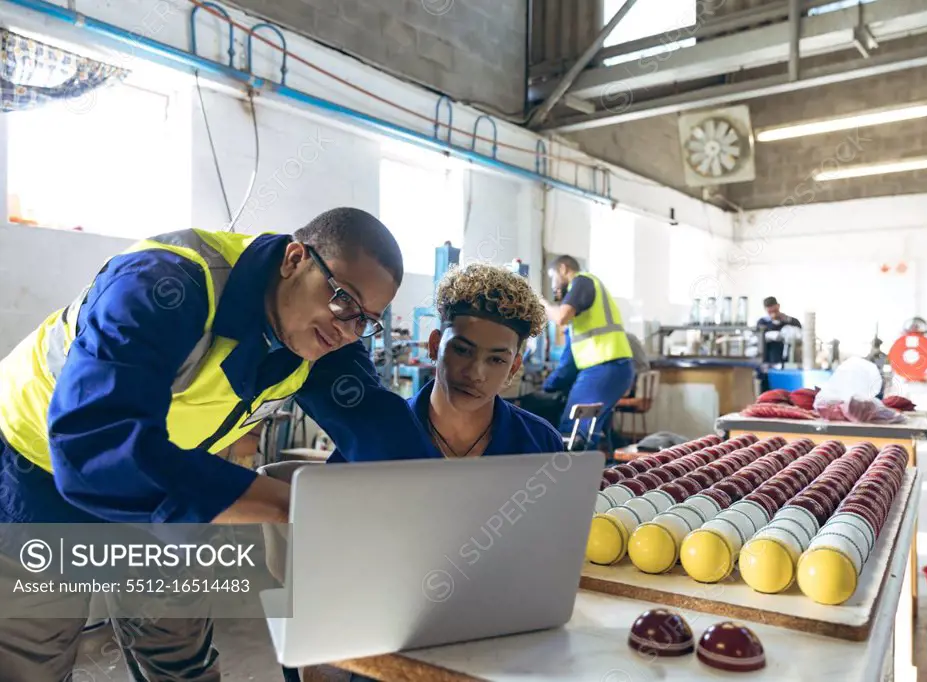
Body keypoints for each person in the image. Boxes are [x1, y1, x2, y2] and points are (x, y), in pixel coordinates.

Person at [0, 208, 430, 681]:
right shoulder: (166, 283)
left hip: (163, 472)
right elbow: (98, 446)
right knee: (31, 652)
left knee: (179, 650)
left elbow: (378, 426)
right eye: (343, 299)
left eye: (367, 319)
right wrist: (292, 504)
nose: (348, 329)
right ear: (293, 259)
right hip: (37, 463)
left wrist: (436, 511)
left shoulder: (325, 336)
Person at [414, 262, 564, 457]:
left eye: (496, 360)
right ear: (435, 346)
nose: (475, 374)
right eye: (462, 350)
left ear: (513, 368)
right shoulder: (384, 433)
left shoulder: (540, 443)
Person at [541, 255, 634, 448]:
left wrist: (541, 304)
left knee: (572, 432)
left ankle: (570, 478)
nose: (553, 284)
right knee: (586, 430)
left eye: (553, 277)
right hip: (612, 367)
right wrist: (551, 383)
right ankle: (587, 476)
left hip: (605, 366)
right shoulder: (585, 306)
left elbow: (560, 317)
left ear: (563, 269)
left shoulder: (582, 281)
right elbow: (570, 358)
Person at [757, 296, 802, 365]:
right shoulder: (763, 322)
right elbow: (760, 336)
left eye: (774, 310)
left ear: (778, 306)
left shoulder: (791, 321)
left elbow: (799, 330)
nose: (773, 313)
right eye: (770, 311)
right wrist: (774, 323)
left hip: (790, 358)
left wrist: (784, 320)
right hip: (770, 359)